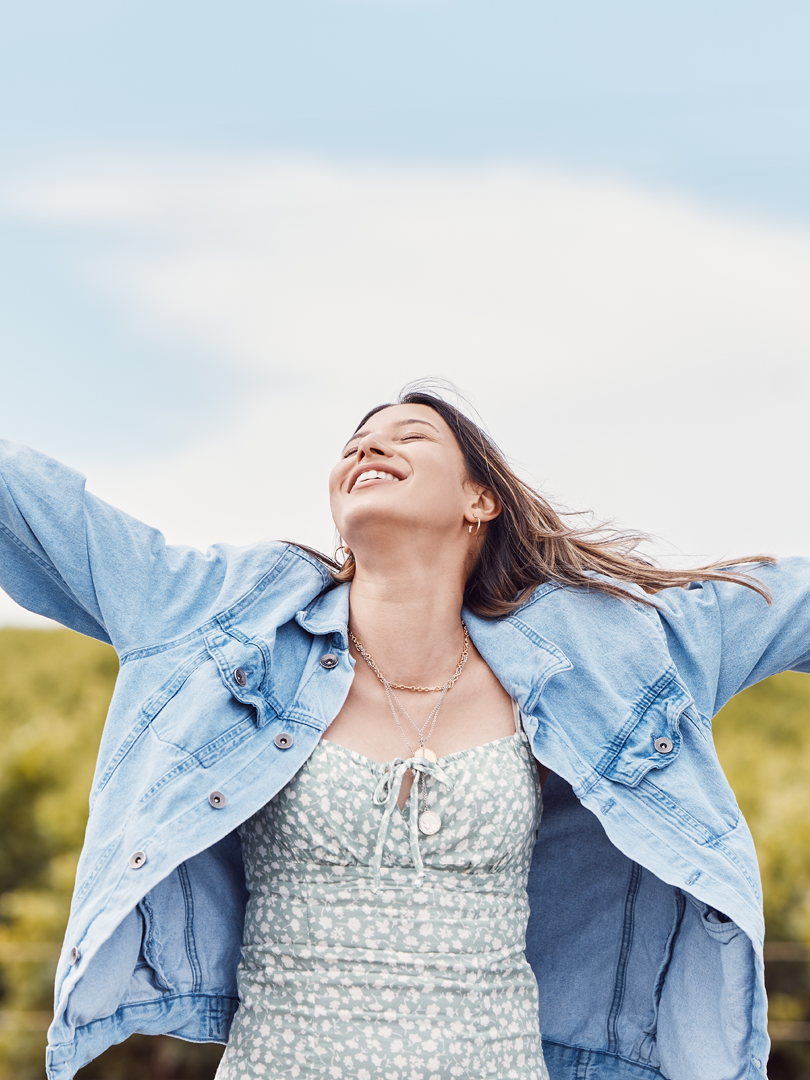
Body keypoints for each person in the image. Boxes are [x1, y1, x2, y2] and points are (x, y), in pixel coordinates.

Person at [0, 384, 808, 1080]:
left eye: (409, 435)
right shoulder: (221, 616)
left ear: (478, 500)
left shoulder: (605, 655)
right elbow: (44, 512)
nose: (370, 445)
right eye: (356, 442)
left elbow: (784, 601)